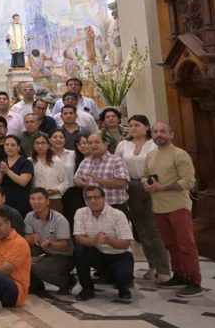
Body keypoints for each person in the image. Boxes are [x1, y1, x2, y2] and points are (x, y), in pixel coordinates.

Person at [144, 122, 203, 297]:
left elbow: (189, 182)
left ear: (171, 135)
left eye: (163, 131)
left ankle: (194, 281)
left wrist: (163, 187)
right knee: (170, 244)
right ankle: (179, 275)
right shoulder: (151, 155)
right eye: (155, 132)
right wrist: (145, 184)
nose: (158, 134)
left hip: (178, 206)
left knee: (185, 244)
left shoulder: (179, 154)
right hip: (159, 207)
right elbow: (144, 176)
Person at [115, 115, 171, 284]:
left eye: (137, 125)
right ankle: (152, 265)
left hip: (152, 186)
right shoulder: (123, 145)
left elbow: (163, 165)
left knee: (154, 228)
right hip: (131, 187)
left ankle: (163, 269)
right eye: (131, 125)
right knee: (141, 229)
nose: (133, 128)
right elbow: (117, 164)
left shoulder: (154, 144)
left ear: (146, 127)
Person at [72, 185, 134, 302]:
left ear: (104, 198)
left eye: (96, 197)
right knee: (79, 250)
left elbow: (125, 244)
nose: (93, 201)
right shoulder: (80, 213)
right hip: (97, 254)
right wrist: (93, 241)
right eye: (89, 198)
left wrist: (109, 241)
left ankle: (123, 288)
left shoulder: (117, 214)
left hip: (119, 255)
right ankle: (87, 288)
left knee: (123, 277)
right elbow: (78, 238)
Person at [24, 187, 75, 295]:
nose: (36, 202)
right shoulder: (29, 216)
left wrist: (51, 244)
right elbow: (27, 238)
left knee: (37, 268)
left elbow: (64, 246)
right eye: (33, 199)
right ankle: (36, 286)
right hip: (45, 251)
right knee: (23, 260)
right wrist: (31, 240)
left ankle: (68, 281)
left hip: (64, 256)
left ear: (47, 201)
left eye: (39, 199)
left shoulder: (59, 219)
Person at [73, 132, 129, 212]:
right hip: (91, 207)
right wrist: (85, 184)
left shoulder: (116, 160)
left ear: (106, 143)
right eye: (90, 143)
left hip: (114, 206)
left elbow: (123, 182)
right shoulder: (85, 162)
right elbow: (76, 179)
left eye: (97, 142)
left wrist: (99, 180)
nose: (93, 145)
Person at [0, 135, 34, 214]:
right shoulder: (1, 162)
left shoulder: (26, 162)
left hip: (21, 202)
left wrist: (8, 171)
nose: (9, 147)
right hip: (4, 202)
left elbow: (23, 182)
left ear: (18, 147)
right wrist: (1, 173)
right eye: (7, 145)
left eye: (12, 145)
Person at [31, 132, 70, 213]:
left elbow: (65, 182)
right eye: (37, 143)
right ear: (33, 146)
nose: (40, 145)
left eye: (43, 143)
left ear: (48, 145)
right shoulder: (29, 161)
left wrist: (56, 190)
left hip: (54, 199)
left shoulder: (56, 161)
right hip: (36, 200)